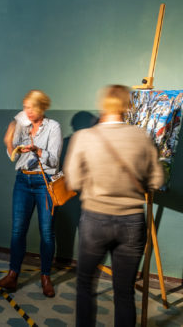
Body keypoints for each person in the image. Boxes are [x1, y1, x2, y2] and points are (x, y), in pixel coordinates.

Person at [64, 85, 164, 327]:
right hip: (132, 222)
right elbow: (157, 181)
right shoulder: (141, 136)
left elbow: (73, 181)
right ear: (127, 105)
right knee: (124, 291)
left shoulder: (84, 137)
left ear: (103, 104)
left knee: (85, 284)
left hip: (95, 219)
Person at [0, 90, 63, 297]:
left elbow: (54, 160)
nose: (28, 111)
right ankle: (12, 275)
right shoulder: (22, 125)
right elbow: (13, 157)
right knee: (18, 231)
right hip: (23, 181)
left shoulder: (53, 127)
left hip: (44, 183)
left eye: (32, 107)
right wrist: (9, 142)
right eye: (25, 107)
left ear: (41, 107)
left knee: (47, 232)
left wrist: (36, 150)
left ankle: (45, 277)